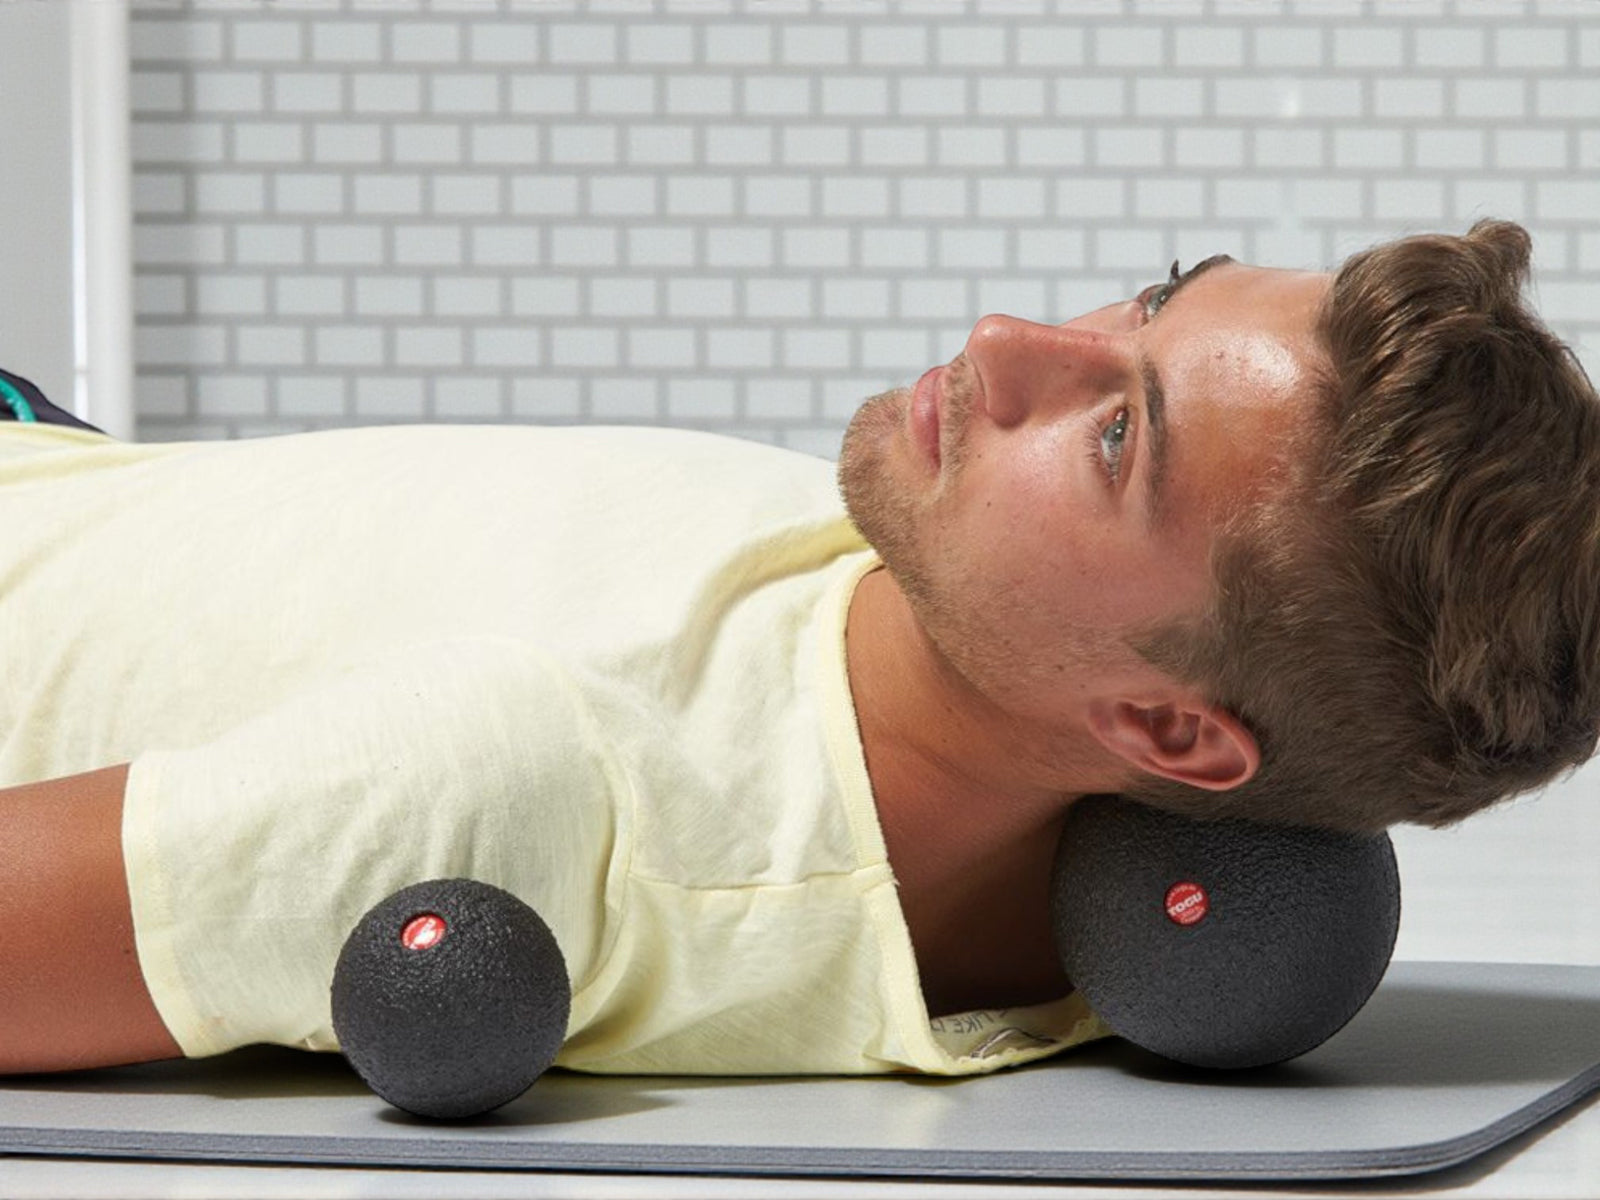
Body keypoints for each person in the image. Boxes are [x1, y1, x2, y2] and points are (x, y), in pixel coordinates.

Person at [2, 218, 1596, 1080]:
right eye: (1150, 299)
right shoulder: (922, 591)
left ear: (1173, 735)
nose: (1007, 343)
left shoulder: (532, 782)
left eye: (1118, 437)